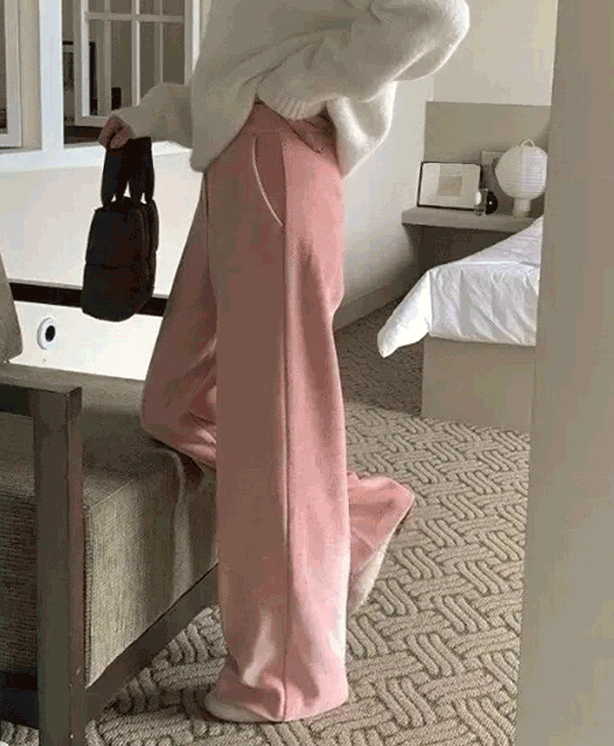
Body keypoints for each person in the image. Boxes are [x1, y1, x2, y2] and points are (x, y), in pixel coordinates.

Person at [98, 0, 470, 724]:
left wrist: (295, 88)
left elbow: (435, 15)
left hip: (276, 156)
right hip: (240, 161)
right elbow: (248, 57)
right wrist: (159, 113)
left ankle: (287, 677)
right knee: (178, 398)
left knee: (276, 426)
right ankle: (354, 511)